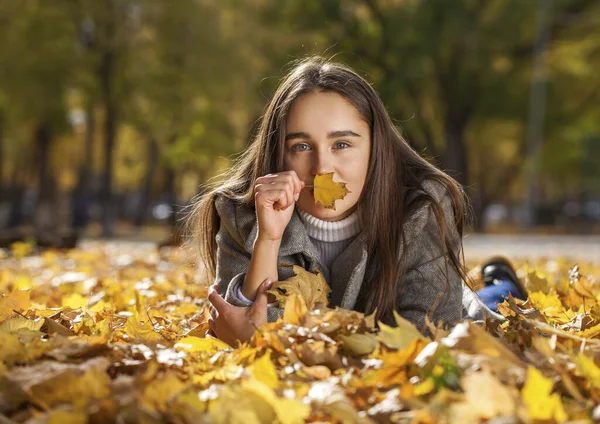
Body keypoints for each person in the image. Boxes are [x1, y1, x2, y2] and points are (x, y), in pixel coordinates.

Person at [190, 57, 487, 346]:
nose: (322, 168)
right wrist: (268, 239)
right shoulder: (240, 212)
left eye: (342, 144)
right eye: (301, 146)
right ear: (278, 154)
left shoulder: (421, 208)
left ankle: (497, 281)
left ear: (375, 148)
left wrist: (272, 337)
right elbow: (236, 323)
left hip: (460, 308)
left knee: (487, 305)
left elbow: (426, 334)